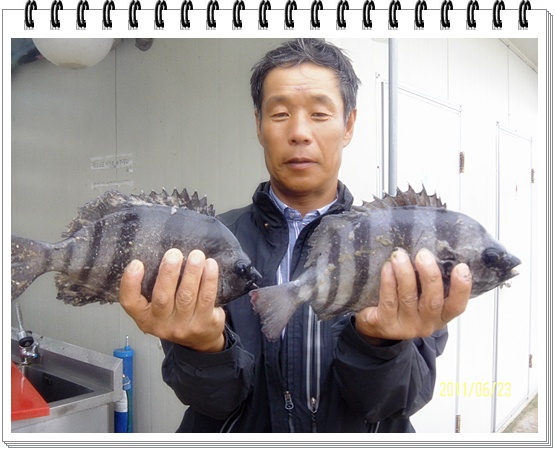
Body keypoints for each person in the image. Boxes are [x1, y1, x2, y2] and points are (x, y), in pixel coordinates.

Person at [120, 39, 472, 433]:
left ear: (349, 125)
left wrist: (379, 345)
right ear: (259, 125)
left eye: (320, 114)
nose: (300, 132)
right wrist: (203, 348)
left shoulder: (401, 248)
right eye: (280, 113)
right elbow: (209, 402)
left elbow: (397, 403)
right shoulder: (207, 245)